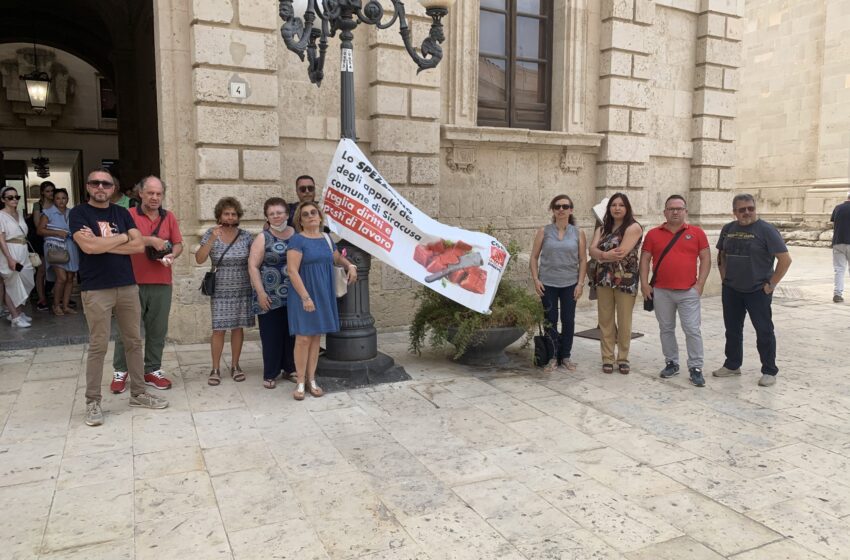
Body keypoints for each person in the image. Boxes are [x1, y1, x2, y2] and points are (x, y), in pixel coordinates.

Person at [70, 168, 168, 427]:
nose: (100, 187)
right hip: (96, 288)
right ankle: (93, 401)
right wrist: (123, 238)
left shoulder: (122, 213)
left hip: (127, 286)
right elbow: (88, 248)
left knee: (134, 341)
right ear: (88, 187)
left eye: (106, 183)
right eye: (95, 183)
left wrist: (109, 242)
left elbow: (138, 246)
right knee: (98, 345)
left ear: (113, 188)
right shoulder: (79, 213)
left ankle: (138, 393)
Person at [110, 176, 183, 393]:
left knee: (157, 329)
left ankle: (152, 369)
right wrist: (150, 240)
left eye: (159, 194)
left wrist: (172, 255)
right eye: (150, 193)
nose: (154, 197)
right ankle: (121, 371)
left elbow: (178, 244)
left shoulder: (168, 217)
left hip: (161, 281)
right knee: (127, 330)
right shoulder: (127, 215)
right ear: (140, 193)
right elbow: (122, 240)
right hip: (131, 282)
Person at [714, 194, 792, 387]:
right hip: (732, 289)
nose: (747, 212)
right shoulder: (728, 229)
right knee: (732, 330)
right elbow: (721, 255)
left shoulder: (766, 230)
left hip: (758, 290)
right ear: (735, 213)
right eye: (742, 209)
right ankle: (732, 365)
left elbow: (785, 260)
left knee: (764, 331)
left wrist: (771, 284)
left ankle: (769, 370)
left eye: (750, 208)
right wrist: (725, 279)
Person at [286, 201, 356, 400]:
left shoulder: (326, 238)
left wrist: (350, 265)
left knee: (316, 338)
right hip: (304, 293)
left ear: (319, 216)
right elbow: (292, 271)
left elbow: (336, 258)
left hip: (323, 292)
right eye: (306, 214)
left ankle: (312, 379)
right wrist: (305, 297)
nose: (310, 216)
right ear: (300, 220)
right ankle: (300, 382)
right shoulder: (297, 240)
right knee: (303, 338)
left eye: (313, 213)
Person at [639, 195, 711, 387]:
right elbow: (645, 259)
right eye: (671, 208)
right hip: (662, 291)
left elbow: (705, 258)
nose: (675, 212)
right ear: (665, 212)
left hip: (688, 291)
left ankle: (696, 367)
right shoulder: (653, 234)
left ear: (686, 212)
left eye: (679, 208)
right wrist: (644, 284)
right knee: (666, 329)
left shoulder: (697, 233)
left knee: (692, 329)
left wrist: (700, 284)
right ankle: (671, 362)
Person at [196, 196, 254, 386]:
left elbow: (255, 260)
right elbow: (199, 258)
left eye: (233, 214)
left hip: (241, 286)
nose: (230, 217)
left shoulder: (245, 236)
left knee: (238, 327)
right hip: (220, 288)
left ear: (238, 216)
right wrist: (212, 238)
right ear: (219, 215)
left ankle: (236, 365)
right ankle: (215, 368)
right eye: (226, 213)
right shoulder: (210, 233)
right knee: (218, 329)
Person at [529, 194, 587, 372]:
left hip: (570, 283)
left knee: (568, 320)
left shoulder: (578, 233)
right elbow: (534, 257)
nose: (561, 209)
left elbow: (583, 260)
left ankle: (566, 356)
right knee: (550, 320)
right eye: (557, 206)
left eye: (564, 206)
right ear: (553, 210)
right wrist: (536, 279)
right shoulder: (544, 231)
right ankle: (553, 356)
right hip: (548, 283)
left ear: (571, 209)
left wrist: (580, 284)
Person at [588, 193, 643, 374]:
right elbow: (591, 250)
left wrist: (600, 254)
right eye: (613, 205)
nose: (617, 208)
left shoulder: (633, 227)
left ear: (627, 208)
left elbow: (620, 252)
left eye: (621, 205)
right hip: (604, 279)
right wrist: (604, 256)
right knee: (605, 320)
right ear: (609, 208)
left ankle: (623, 358)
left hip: (625, 280)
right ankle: (607, 357)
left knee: (624, 320)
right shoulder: (602, 229)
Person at [249, 197, 297, 389]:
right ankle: (270, 372)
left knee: (292, 333)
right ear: (267, 217)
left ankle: (290, 368)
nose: (276, 216)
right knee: (271, 335)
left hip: (294, 293)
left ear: (286, 214)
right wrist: (260, 293)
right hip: (269, 294)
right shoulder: (263, 237)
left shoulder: (296, 234)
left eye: (279, 212)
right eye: (272, 214)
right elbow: (253, 266)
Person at [37, 188, 80, 315]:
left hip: (71, 246)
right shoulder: (47, 213)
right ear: (54, 200)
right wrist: (57, 232)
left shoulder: (72, 213)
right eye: (58, 198)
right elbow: (40, 230)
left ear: (67, 199)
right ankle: (56, 305)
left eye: (64, 198)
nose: (61, 201)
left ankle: (65, 306)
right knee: (61, 277)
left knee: (70, 277)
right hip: (55, 247)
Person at [0, 186, 36, 328]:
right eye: (10, 197)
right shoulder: (1, 215)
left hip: (23, 251)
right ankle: (15, 317)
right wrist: (9, 258)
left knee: (26, 281)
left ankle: (18, 312)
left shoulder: (19, 214)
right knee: (12, 283)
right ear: (3, 199)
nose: (14, 199)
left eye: (16, 197)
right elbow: (1, 238)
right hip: (9, 251)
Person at [31, 181, 55, 311]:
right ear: (42, 192)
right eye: (47, 191)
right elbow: (36, 224)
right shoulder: (37, 205)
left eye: (52, 190)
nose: (50, 193)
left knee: (57, 269)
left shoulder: (57, 203)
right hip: (41, 240)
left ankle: (54, 294)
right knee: (42, 271)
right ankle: (41, 298)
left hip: (56, 240)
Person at [830, 191, 850, 303]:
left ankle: (837, 294)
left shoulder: (837, 208)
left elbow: (834, 222)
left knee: (839, 269)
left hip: (838, 242)